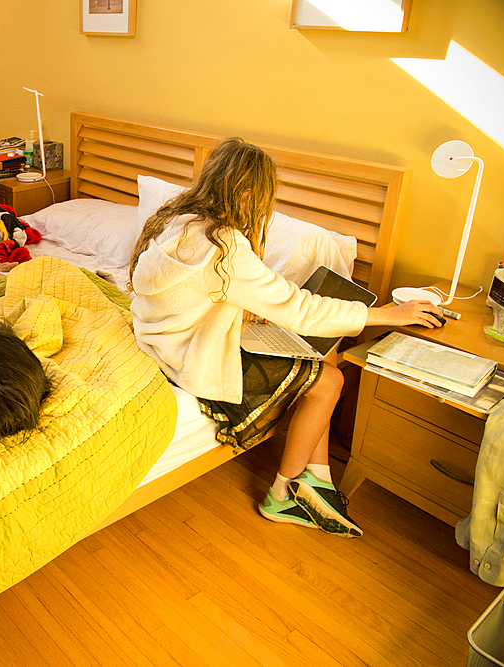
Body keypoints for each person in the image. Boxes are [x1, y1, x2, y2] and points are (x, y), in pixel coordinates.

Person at [127, 138, 443, 538]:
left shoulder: (178, 218)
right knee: (331, 379)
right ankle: (282, 494)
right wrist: (386, 314)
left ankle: (318, 480)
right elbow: (300, 309)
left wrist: (239, 308)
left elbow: (191, 291)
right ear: (250, 194)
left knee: (323, 361)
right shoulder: (227, 248)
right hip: (189, 356)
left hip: (163, 336)